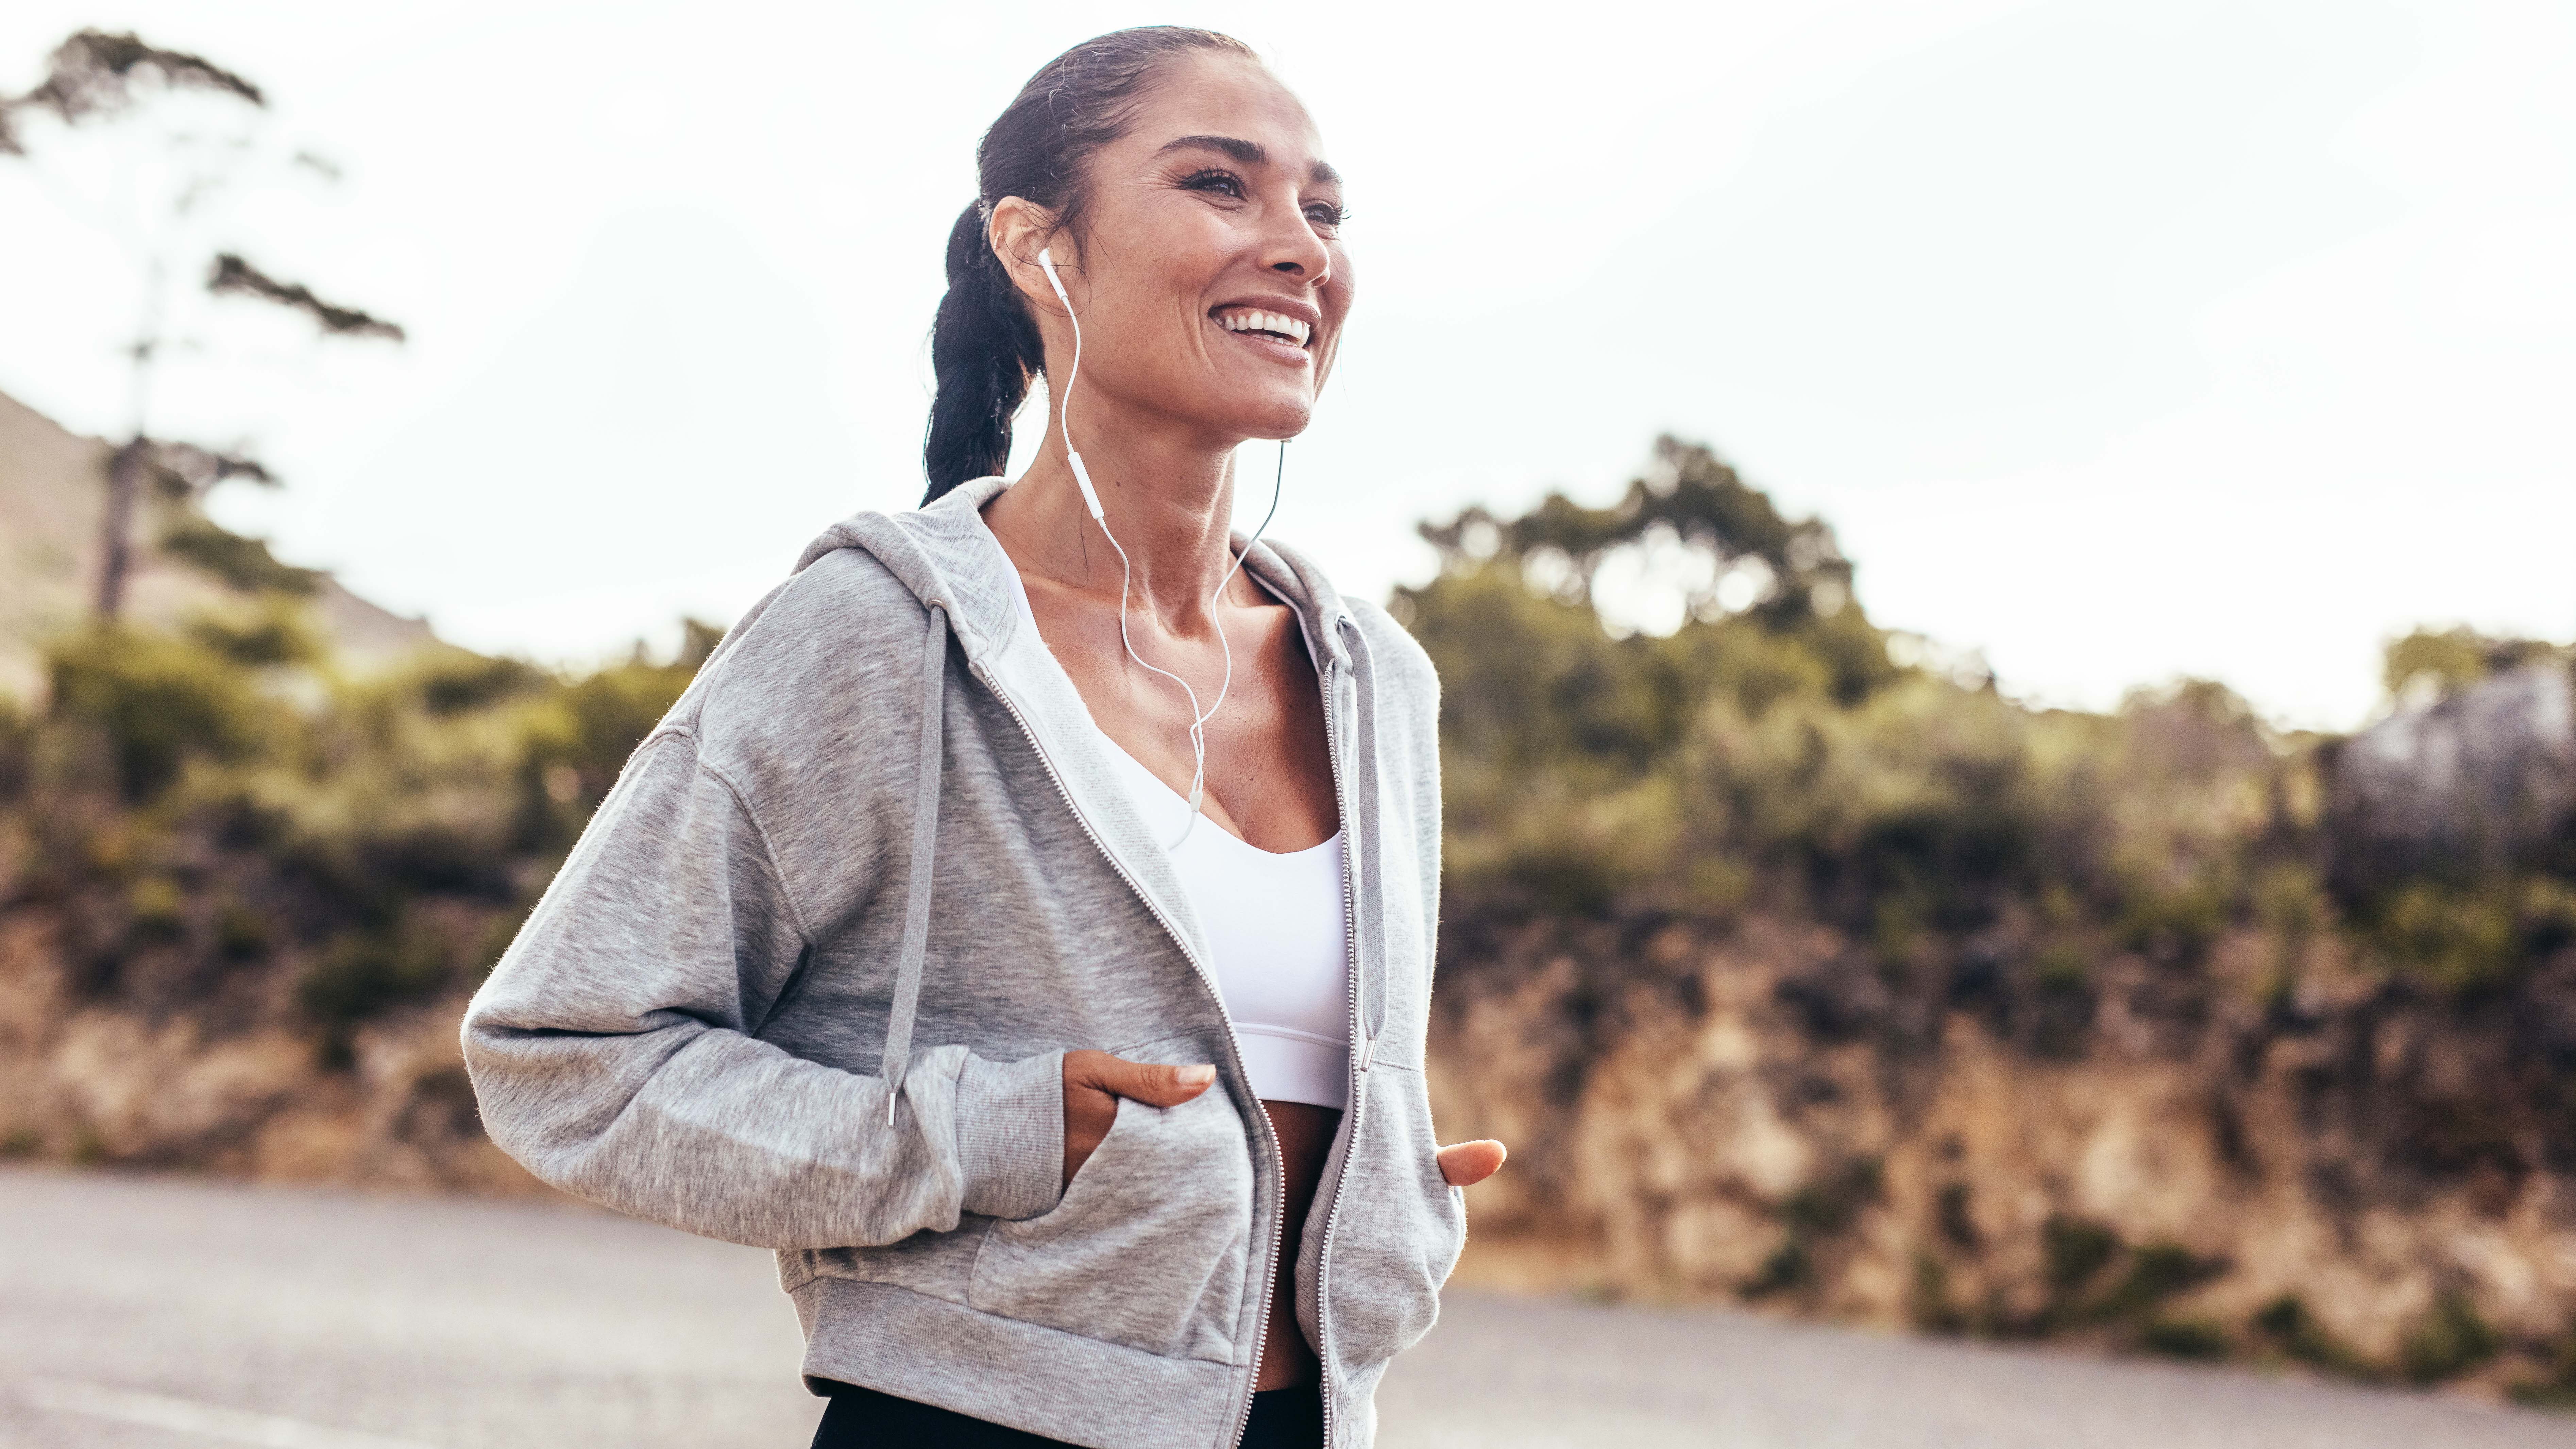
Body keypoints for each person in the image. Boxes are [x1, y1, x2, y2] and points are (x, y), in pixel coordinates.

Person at [461, 25, 1502, 1449]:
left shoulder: (1376, 679)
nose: (1298, 247)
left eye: (1322, 210)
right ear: (1036, 244)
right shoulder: (882, 637)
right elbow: (565, 1053)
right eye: (1220, 185)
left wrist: (1375, 1184)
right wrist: (985, 1134)